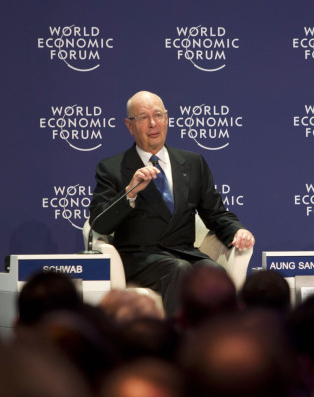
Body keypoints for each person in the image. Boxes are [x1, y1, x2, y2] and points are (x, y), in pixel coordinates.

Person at [89, 91, 255, 317]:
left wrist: (238, 230)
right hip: (139, 257)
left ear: (167, 117)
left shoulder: (193, 162)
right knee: (178, 269)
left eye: (158, 115)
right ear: (129, 125)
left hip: (184, 252)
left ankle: (217, 337)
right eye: (143, 117)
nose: (153, 123)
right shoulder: (112, 168)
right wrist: (130, 192)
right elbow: (100, 223)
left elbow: (215, 213)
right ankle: (179, 340)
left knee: (213, 271)